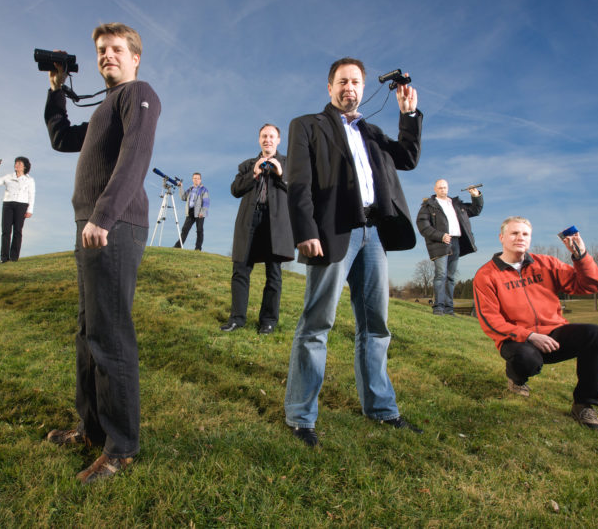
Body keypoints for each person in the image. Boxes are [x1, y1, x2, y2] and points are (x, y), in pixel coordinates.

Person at [42, 22, 161, 483]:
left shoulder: (139, 94)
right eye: (100, 51)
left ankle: (122, 447)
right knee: (88, 332)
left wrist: (104, 216)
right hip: (91, 226)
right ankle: (91, 429)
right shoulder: (104, 107)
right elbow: (60, 139)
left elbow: (135, 156)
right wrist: (56, 90)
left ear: (134, 57)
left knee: (110, 337)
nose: (106, 56)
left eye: (115, 49)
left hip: (113, 227)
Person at [283, 57, 423, 447]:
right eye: (342, 81)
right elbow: (298, 183)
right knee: (317, 324)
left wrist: (408, 116)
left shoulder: (372, 131)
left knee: (376, 326)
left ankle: (380, 409)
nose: (350, 87)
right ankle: (300, 416)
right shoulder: (307, 126)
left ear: (363, 88)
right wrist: (305, 231)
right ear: (329, 88)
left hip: (373, 234)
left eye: (356, 82)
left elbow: (408, 159)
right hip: (333, 233)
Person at [473, 217, 598, 430]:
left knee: (596, 334)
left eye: (525, 234)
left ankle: (584, 405)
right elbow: (490, 321)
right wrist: (529, 336)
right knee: (526, 359)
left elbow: (590, 285)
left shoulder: (546, 264)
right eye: (514, 233)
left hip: (554, 334)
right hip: (517, 340)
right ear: (502, 238)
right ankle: (516, 378)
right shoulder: (486, 275)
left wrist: (580, 256)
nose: (520, 238)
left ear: (530, 239)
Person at [221, 124, 293, 334]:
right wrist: (253, 174)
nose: (267, 140)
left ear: (278, 140)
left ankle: (268, 321)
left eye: (272, 136)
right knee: (240, 270)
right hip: (249, 220)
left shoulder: (289, 164)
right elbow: (235, 190)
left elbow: (298, 191)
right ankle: (236, 319)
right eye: (264, 136)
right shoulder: (247, 165)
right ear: (259, 140)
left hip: (276, 224)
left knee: (274, 273)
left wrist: (281, 175)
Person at [416, 179, 483, 315]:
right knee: (441, 275)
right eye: (440, 187)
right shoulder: (428, 206)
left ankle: (449, 309)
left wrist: (476, 196)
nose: (443, 190)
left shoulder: (456, 204)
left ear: (448, 188)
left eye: (445, 187)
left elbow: (475, 210)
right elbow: (423, 225)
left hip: (456, 242)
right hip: (440, 243)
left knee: (451, 276)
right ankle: (438, 308)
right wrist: (440, 236)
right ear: (435, 189)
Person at [0, 157, 36, 263]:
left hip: (22, 205)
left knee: (18, 231)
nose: (17, 165)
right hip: (8, 205)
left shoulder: (30, 180)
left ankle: (14, 257)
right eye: (16, 163)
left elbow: (31, 195)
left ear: (25, 166)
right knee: (5, 231)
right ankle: (4, 258)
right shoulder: (8, 177)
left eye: (20, 163)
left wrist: (30, 210)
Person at [174, 172, 209, 251]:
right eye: (194, 178)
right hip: (190, 211)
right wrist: (181, 187)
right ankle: (178, 246)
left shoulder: (204, 189)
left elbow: (206, 202)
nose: (196, 180)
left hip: (200, 212)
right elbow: (183, 197)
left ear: (200, 180)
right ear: (192, 179)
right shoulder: (190, 189)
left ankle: (198, 248)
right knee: (185, 229)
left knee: (199, 230)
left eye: (197, 178)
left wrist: (202, 212)